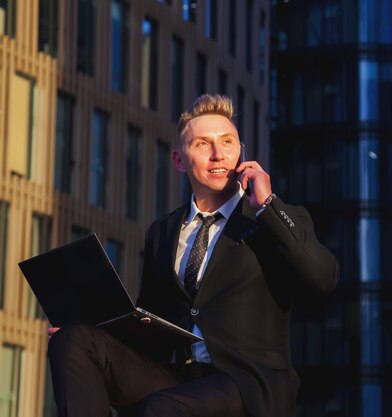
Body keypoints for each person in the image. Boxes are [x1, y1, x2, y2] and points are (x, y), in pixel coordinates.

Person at [47, 94, 339, 417]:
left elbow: (323, 277)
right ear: (179, 160)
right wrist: (92, 328)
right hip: (176, 378)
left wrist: (268, 206)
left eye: (227, 142)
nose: (218, 155)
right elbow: (151, 324)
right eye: (202, 145)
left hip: (246, 385)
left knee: (160, 410)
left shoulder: (270, 219)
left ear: (241, 152)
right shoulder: (162, 231)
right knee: (71, 341)